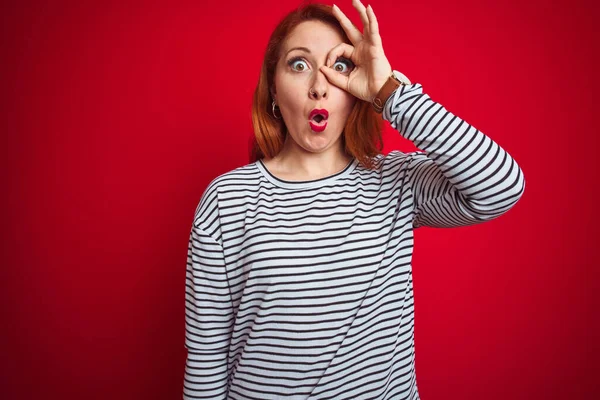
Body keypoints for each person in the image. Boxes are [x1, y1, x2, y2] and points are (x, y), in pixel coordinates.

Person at [182, 0, 525, 399]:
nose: (319, 86)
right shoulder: (228, 200)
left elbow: (502, 186)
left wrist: (388, 92)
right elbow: (206, 360)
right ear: (273, 87)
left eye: (338, 66)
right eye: (299, 64)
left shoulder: (397, 182)